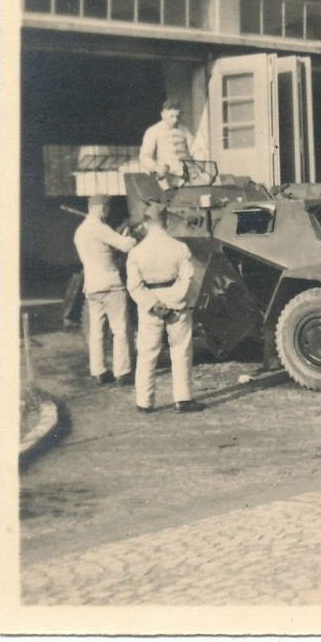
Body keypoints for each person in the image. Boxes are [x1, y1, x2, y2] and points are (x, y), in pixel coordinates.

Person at [126, 202, 205, 414]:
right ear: (166, 222)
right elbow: (187, 278)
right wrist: (172, 304)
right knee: (181, 351)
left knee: (147, 352)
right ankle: (183, 399)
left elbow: (134, 286)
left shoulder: (136, 252)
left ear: (145, 223)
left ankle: (144, 402)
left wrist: (154, 305)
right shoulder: (180, 248)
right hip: (175, 304)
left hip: (149, 304)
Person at [72, 194, 137, 385]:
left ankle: (99, 371)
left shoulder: (80, 231)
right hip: (111, 285)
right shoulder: (100, 228)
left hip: (92, 286)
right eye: (107, 209)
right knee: (120, 330)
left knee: (97, 332)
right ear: (102, 208)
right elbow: (125, 246)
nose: (107, 213)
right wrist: (130, 238)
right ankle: (122, 372)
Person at [138, 99, 196, 179]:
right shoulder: (153, 131)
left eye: (178, 116)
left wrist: (199, 164)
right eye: (171, 116)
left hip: (189, 174)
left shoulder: (184, 130)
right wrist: (156, 168)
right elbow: (144, 156)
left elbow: (196, 149)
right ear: (163, 115)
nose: (175, 120)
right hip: (168, 176)